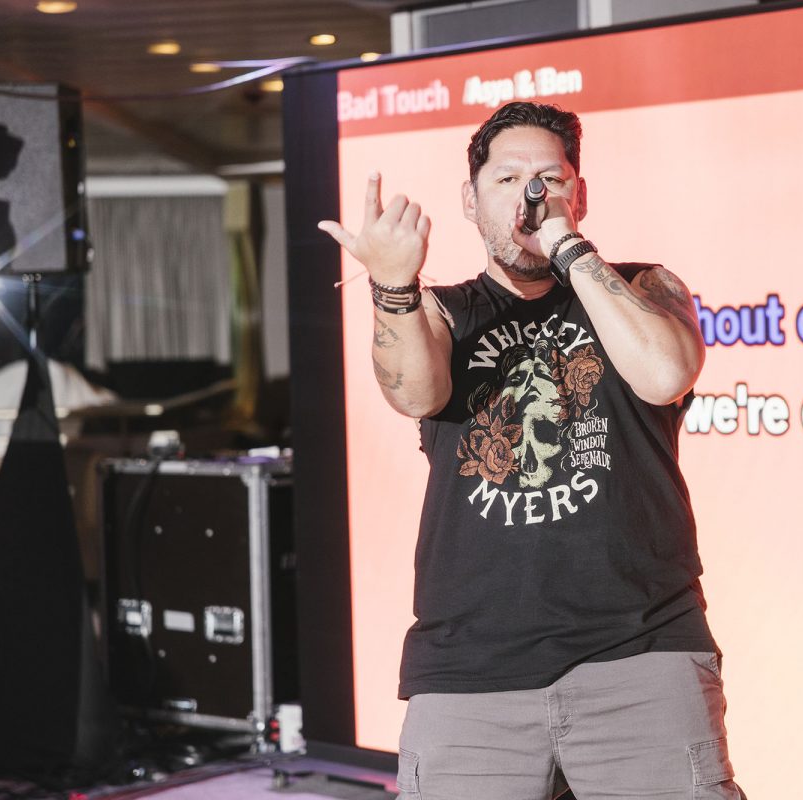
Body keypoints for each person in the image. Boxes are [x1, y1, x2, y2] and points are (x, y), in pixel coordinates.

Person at [319, 102, 744, 800]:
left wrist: (567, 247)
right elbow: (413, 393)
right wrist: (393, 287)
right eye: (507, 178)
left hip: (640, 655)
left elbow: (666, 372)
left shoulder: (644, 285)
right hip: (470, 671)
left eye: (551, 178)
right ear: (470, 199)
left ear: (580, 194)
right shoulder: (446, 310)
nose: (531, 194)